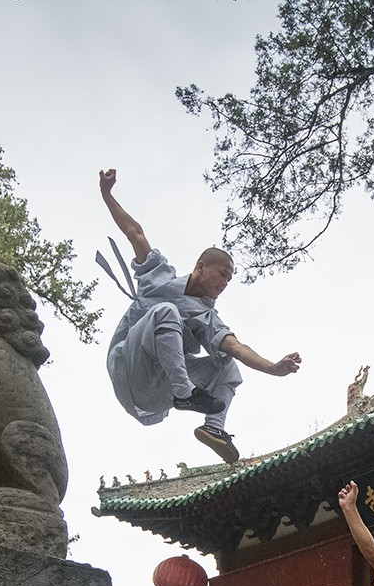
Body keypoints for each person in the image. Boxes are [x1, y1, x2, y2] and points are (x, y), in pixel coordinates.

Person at [98, 169, 302, 464]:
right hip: (129, 369)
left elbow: (236, 347)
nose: (225, 284)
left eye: (230, 280)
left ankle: (214, 428)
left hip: (155, 394)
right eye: (223, 275)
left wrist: (272, 368)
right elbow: (136, 233)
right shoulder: (160, 277)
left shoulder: (208, 317)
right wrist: (107, 194)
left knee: (228, 366)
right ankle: (185, 392)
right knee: (164, 312)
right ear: (201, 266)